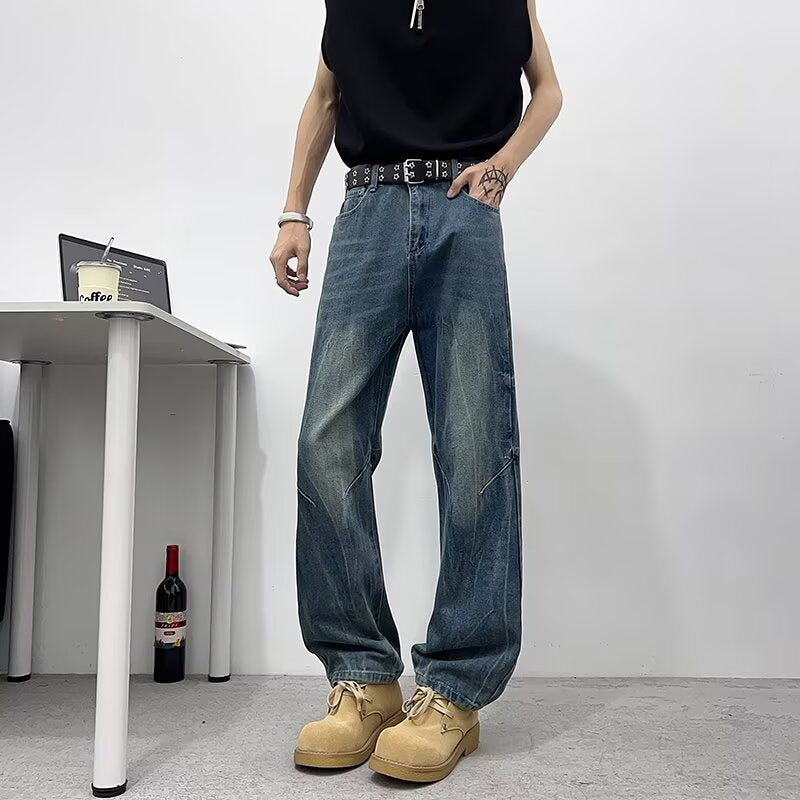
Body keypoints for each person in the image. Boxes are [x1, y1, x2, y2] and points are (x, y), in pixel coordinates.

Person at [269, 0, 562, 783]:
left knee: (474, 448)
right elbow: (326, 94)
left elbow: (548, 90)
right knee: (327, 443)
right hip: (365, 206)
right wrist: (294, 211)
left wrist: (502, 166)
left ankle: (455, 690)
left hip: (464, 213)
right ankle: (363, 678)